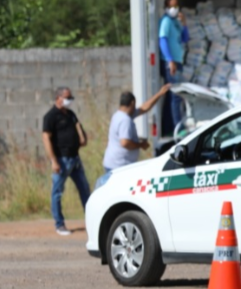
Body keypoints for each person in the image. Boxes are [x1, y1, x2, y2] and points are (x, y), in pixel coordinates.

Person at [97, 84, 171, 188]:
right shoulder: (125, 120)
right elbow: (125, 142)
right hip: (118, 167)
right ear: (132, 103)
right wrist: (141, 145)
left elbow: (144, 108)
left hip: (114, 164)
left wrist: (160, 94)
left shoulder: (119, 115)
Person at [42, 87, 90, 236]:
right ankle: (59, 224)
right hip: (62, 160)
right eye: (67, 97)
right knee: (57, 192)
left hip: (75, 159)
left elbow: (78, 129)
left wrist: (82, 137)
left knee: (85, 191)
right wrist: (54, 161)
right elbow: (46, 139)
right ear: (58, 98)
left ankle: (93, 220)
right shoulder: (50, 116)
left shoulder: (70, 114)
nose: (70, 100)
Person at [158, 0, 189, 136]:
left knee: (174, 96)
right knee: (176, 96)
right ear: (166, 8)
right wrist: (169, 60)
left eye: (176, 6)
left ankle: (170, 127)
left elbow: (185, 38)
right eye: (171, 6)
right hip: (171, 63)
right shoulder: (165, 21)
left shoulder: (176, 22)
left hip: (178, 62)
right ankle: (177, 128)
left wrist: (184, 24)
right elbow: (162, 40)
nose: (174, 9)